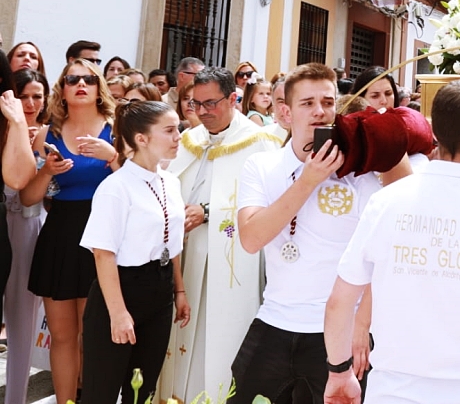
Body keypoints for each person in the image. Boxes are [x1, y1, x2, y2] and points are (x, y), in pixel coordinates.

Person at [322, 80, 460, 404]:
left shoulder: (386, 203)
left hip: (393, 393)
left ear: (434, 131)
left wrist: (339, 371)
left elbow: (339, 302)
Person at [231, 63, 412, 404]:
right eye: (307, 103)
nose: (319, 111)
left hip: (340, 333)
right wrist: (309, 178)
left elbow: (385, 250)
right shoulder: (262, 166)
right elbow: (251, 238)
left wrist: (364, 323)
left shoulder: (360, 172)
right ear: (285, 111)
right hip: (275, 319)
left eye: (327, 103)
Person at [157, 67, 282, 403]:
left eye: (211, 103)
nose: (202, 112)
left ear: (233, 99)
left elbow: (271, 204)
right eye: (196, 104)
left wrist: (208, 212)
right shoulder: (188, 140)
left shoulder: (263, 144)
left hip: (229, 262)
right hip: (185, 259)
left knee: (218, 340)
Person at [80, 101, 190, 404]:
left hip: (160, 290)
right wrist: (118, 314)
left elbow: (173, 241)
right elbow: (103, 254)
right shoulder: (116, 188)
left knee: (141, 391)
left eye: (178, 128)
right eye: (169, 130)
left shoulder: (171, 182)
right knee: (100, 392)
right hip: (120, 291)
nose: (178, 136)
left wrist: (178, 290)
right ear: (141, 139)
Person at [24, 60, 118, 404]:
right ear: (62, 89)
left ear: (99, 87)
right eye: (72, 79)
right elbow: (29, 197)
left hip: (103, 236)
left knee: (92, 336)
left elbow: (140, 184)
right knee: (62, 336)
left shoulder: (116, 128)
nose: (81, 84)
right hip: (61, 235)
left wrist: (113, 157)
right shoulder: (45, 134)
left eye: (89, 79)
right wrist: (47, 171)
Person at [2, 66, 43, 404]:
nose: (29, 103)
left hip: (30, 227)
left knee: (23, 323)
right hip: (4, 226)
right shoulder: (4, 125)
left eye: (36, 96)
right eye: (23, 95)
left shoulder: (51, 135)